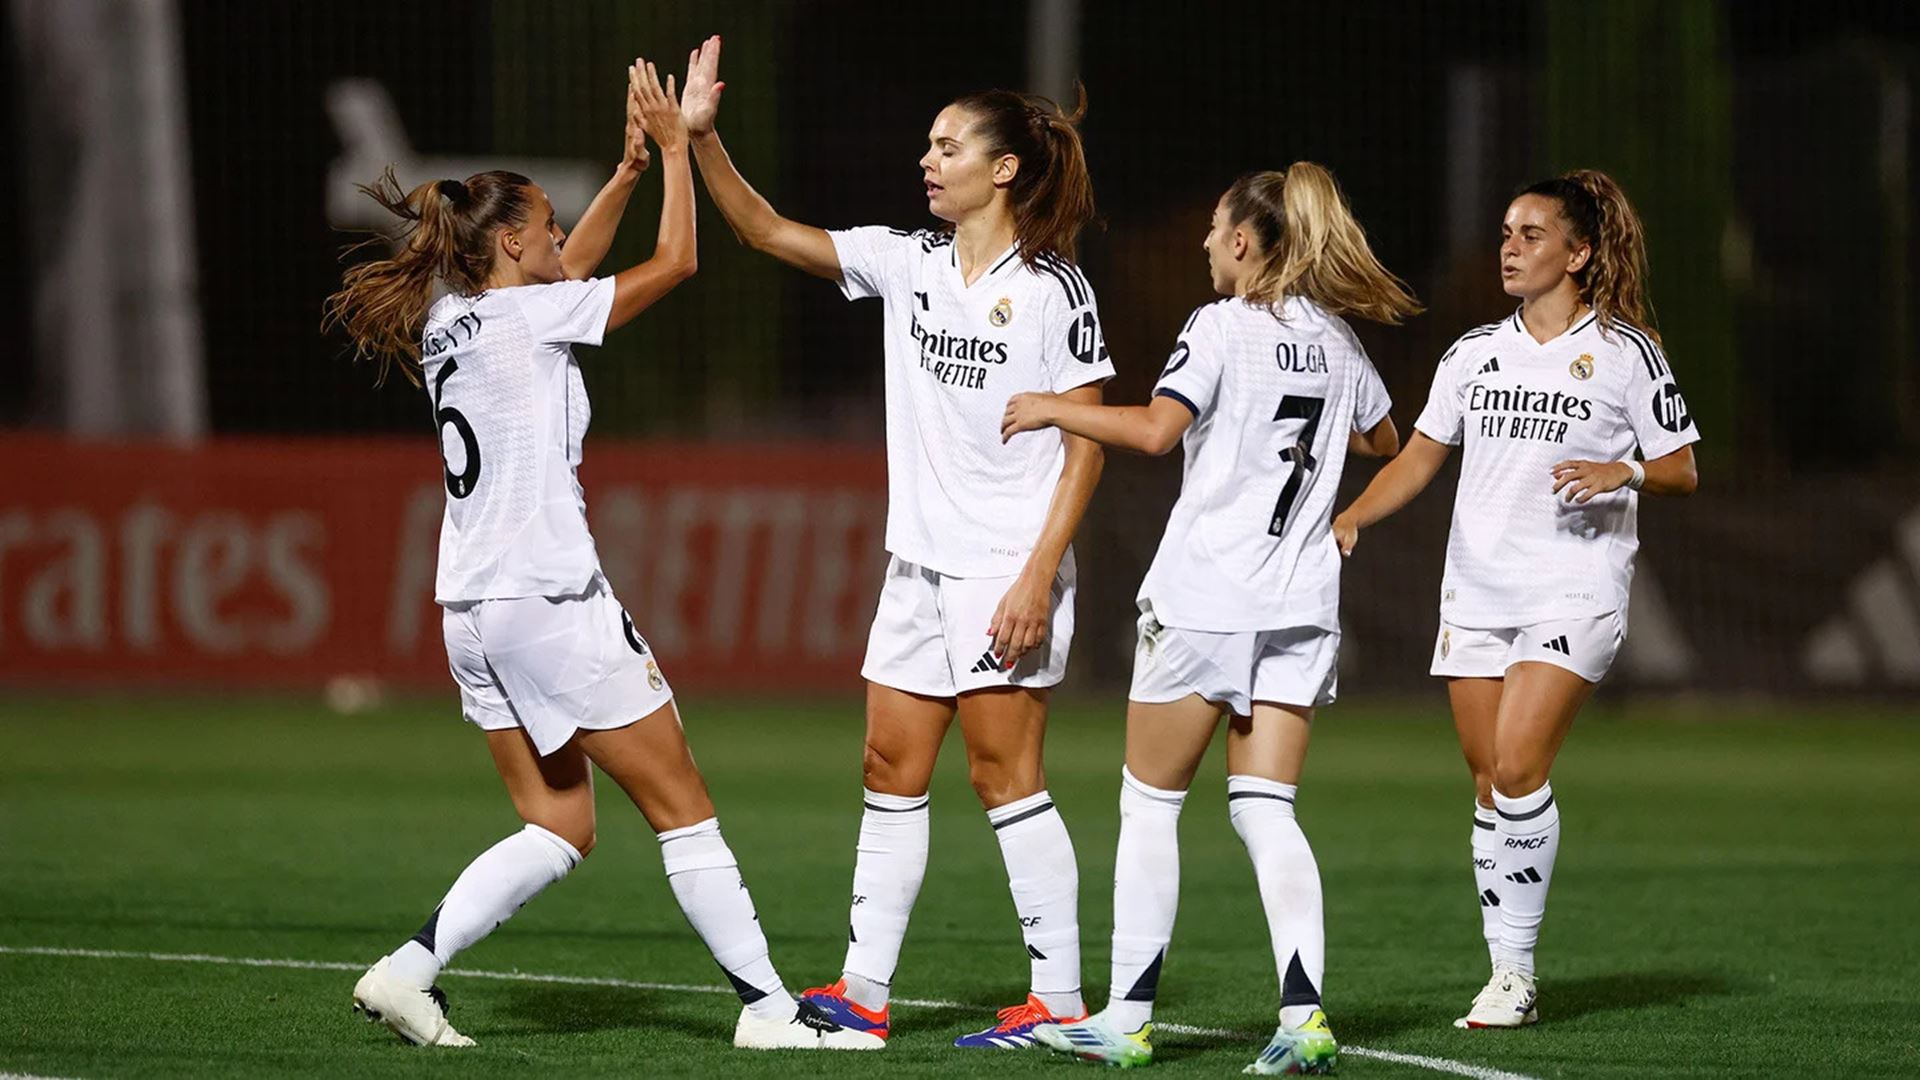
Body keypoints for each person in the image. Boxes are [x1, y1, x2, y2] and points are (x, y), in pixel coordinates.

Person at [322, 59, 867, 1052]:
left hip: (471, 612)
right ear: (511, 243)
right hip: (549, 600)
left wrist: (623, 173)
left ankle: (407, 972)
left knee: (561, 825)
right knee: (683, 808)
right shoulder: (532, 318)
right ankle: (769, 1012)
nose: (562, 236)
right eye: (549, 225)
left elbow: (567, 271)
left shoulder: (450, 320)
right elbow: (676, 262)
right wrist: (675, 152)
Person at [675, 37, 1110, 1048]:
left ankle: (1059, 1002)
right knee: (887, 766)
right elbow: (763, 230)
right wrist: (701, 140)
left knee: (1004, 778)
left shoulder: (1055, 290)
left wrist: (1040, 574)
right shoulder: (906, 260)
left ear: (1004, 169)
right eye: (929, 144)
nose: (928, 159)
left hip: (1006, 567)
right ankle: (864, 996)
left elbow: (1088, 445)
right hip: (918, 566)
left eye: (949, 147)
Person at [1003, 164, 1418, 1073]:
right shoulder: (1337, 338)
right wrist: (1306, 433)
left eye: (1213, 228)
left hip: (1207, 600)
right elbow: (1386, 438)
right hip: (1300, 605)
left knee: (1150, 805)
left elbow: (1157, 432)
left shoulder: (1220, 325)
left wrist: (1050, 409)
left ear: (1241, 242)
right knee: (1267, 810)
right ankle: (1304, 1021)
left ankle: (1126, 1020)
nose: (1201, 242)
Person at [1331, 169, 1700, 1029]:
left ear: (1578, 253)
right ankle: (1503, 971)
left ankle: (1518, 975)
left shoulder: (1626, 351)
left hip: (1574, 588)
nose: (1510, 247)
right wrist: (1351, 516)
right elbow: (1420, 457)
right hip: (1477, 589)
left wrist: (1622, 470)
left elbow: (1682, 467)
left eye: (1532, 234)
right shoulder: (1473, 353)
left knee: (1519, 765)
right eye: (1505, 232)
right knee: (1489, 782)